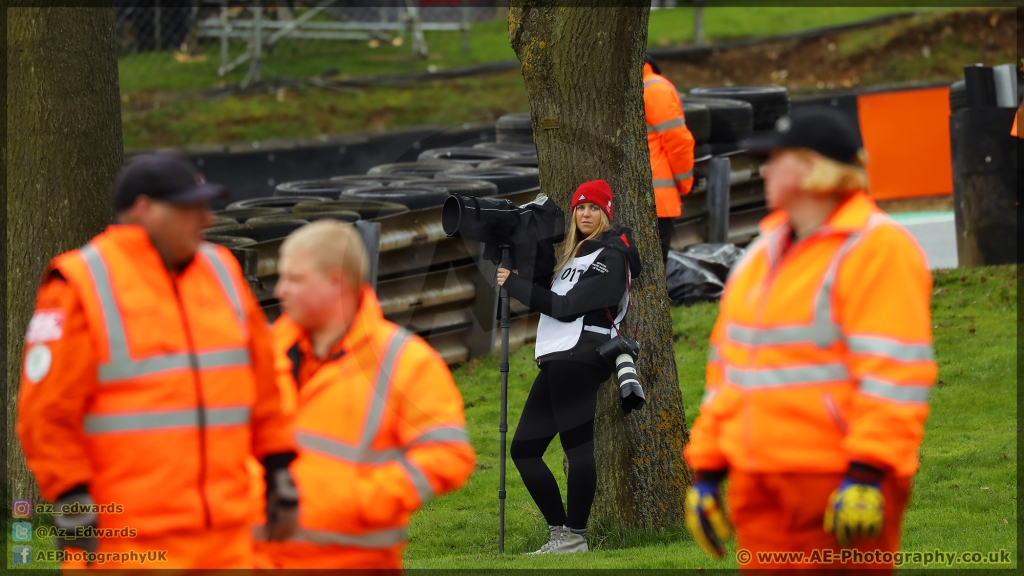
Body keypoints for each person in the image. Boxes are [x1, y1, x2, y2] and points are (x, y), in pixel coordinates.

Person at [682, 108, 937, 574]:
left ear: (811, 167)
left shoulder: (878, 248)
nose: (764, 170)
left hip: (838, 484)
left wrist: (867, 472)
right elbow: (728, 376)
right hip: (758, 484)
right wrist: (706, 471)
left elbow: (894, 374)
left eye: (775, 159)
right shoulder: (759, 256)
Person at [16, 153, 298, 570]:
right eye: (190, 208)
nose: (206, 220)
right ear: (144, 210)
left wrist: (279, 468)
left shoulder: (221, 271)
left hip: (228, 536)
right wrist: (71, 497)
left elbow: (261, 386)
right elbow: (46, 413)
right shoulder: (81, 282)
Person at [252, 220, 476, 569]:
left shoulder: (405, 361)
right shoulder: (265, 353)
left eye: (295, 279)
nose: (280, 290)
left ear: (336, 282)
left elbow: (448, 456)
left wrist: (360, 501)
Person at [497, 180, 642, 554]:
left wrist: (513, 286)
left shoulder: (612, 257)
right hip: (557, 358)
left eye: (594, 208)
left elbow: (564, 307)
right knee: (524, 450)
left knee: (577, 449)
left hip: (581, 357)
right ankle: (562, 533)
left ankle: (575, 535)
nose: (585, 215)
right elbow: (551, 298)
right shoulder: (572, 258)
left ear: (607, 214)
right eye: (580, 208)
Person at [644, 54, 696, 265]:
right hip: (658, 201)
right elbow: (678, 140)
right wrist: (686, 182)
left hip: (621, 197)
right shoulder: (656, 89)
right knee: (652, 271)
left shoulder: (613, 87)